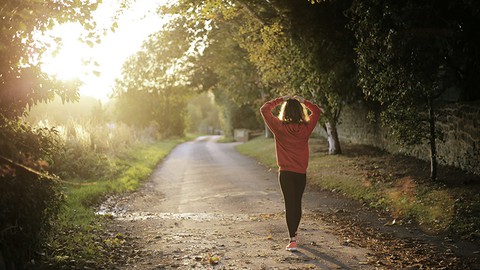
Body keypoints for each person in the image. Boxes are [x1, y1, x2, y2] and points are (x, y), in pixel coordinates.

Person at [260, 95, 321, 251]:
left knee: (289, 204)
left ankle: (292, 239)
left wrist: (281, 99)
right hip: (300, 173)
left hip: (286, 173)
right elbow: (317, 111)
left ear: (284, 111)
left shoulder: (279, 127)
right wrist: (304, 101)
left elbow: (264, 109)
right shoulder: (306, 128)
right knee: (297, 203)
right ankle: (294, 234)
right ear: (300, 112)